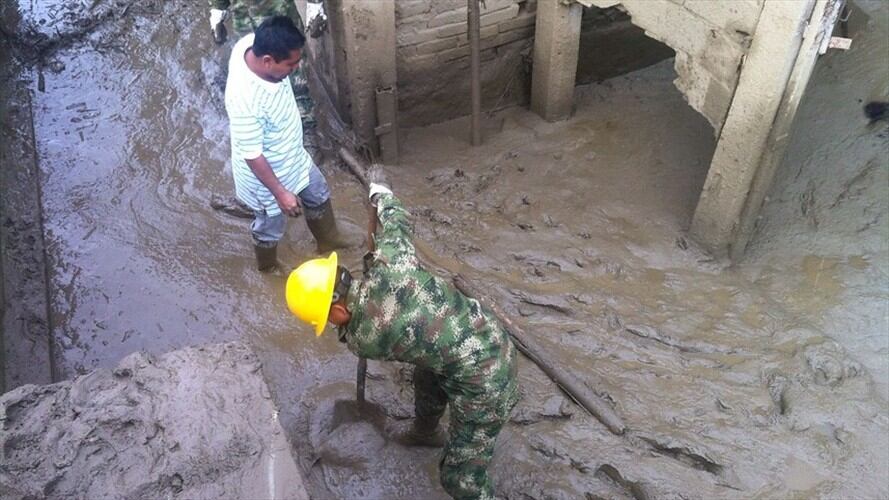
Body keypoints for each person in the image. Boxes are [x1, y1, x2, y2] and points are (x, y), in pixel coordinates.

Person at [284, 173, 520, 500]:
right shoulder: (393, 261)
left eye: (326, 319)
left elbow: (367, 319)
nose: (332, 326)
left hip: (486, 377)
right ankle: (425, 431)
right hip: (482, 330)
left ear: (336, 310)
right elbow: (397, 225)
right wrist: (382, 195)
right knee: (426, 375)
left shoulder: (364, 337)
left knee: (459, 480)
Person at [224, 16, 359, 272]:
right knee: (270, 225)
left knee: (318, 192)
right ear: (267, 61)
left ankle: (329, 239)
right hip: (266, 179)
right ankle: (268, 266)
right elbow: (252, 156)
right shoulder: (245, 99)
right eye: (291, 64)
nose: (296, 68)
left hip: (293, 156)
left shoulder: (249, 44)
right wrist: (281, 193)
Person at [210, 0, 317, 142]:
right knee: (257, 79)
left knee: (295, 77)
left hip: (276, 16)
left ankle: (307, 130)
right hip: (244, 20)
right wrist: (218, 9)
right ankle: (270, 129)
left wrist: (315, 4)